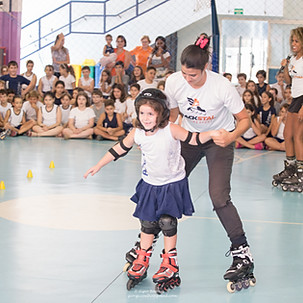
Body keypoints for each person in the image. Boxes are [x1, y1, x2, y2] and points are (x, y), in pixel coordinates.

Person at [84, 89, 219, 292]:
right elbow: (119, 149)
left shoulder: (171, 129)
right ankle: (142, 257)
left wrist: (213, 133)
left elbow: (194, 139)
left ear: (161, 114)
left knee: (167, 221)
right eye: (142, 113)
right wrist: (99, 165)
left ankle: (170, 262)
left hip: (172, 183)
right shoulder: (137, 133)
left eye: (151, 113)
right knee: (147, 222)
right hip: (149, 183)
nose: (145, 118)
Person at [164, 37, 255, 288]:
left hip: (219, 140)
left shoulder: (222, 87)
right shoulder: (174, 82)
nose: (187, 79)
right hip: (191, 137)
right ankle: (147, 243)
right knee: (167, 184)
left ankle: (242, 252)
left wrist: (232, 136)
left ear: (204, 69)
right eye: (183, 73)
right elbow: (173, 115)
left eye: (192, 75)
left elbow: (244, 119)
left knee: (219, 197)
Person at [273, 27, 303, 191]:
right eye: (292, 41)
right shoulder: (293, 59)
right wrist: (285, 66)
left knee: (298, 137)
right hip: (295, 98)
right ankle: (291, 168)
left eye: (297, 41)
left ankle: (301, 173)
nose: (293, 44)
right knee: (287, 134)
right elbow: (288, 80)